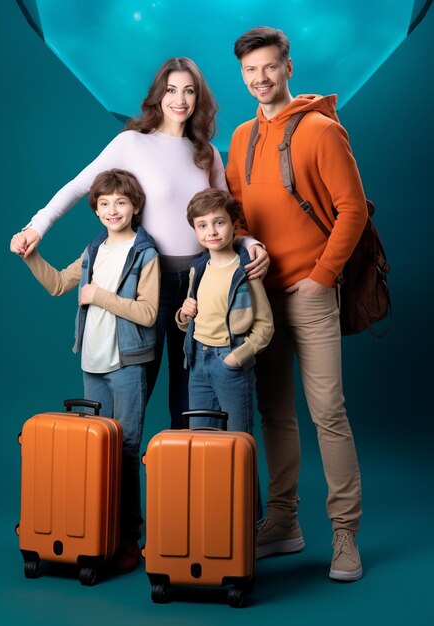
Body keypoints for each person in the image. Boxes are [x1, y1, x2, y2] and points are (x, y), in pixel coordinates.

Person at [10, 57, 269, 429]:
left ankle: (187, 479)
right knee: (134, 389)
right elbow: (78, 186)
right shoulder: (131, 143)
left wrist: (251, 242)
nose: (180, 99)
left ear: (199, 98)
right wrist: (37, 227)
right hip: (147, 279)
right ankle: (118, 476)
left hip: (200, 280)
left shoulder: (206, 152)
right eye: (171, 90)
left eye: (189, 91)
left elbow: (227, 214)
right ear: (158, 96)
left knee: (192, 391)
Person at [226, 26, 368, 581]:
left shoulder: (320, 130)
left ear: (288, 66)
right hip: (259, 294)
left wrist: (321, 277)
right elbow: (235, 208)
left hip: (310, 293)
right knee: (274, 413)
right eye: (249, 72)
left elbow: (352, 209)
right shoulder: (240, 137)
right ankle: (283, 523)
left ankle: (345, 535)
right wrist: (246, 241)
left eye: (268, 67)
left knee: (327, 413)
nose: (259, 79)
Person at [11, 169, 160, 574]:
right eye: (105, 203)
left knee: (127, 451)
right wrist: (31, 257)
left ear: (135, 207)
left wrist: (102, 297)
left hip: (127, 364)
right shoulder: (94, 251)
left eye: (121, 202)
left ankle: (130, 537)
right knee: (96, 450)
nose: (113, 210)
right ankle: (99, 530)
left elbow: (148, 312)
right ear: (95, 210)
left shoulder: (146, 254)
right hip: (91, 363)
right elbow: (59, 284)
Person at [176, 188, 274, 432]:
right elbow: (189, 321)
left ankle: (242, 473)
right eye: (202, 225)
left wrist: (236, 358)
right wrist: (183, 314)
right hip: (198, 360)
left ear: (235, 224)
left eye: (219, 222)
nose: (211, 231)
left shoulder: (246, 272)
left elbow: (265, 326)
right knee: (199, 438)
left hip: (230, 361)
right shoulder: (196, 270)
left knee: (238, 440)